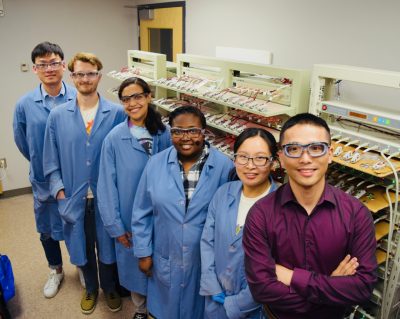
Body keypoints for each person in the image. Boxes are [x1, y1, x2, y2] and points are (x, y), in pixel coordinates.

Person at [242, 113, 378, 319]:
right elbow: (262, 290)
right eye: (294, 149)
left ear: (330, 153)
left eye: (316, 148)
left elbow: (362, 287)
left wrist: (294, 277)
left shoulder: (356, 214)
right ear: (281, 157)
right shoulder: (261, 214)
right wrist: (331, 285)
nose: (306, 159)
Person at [131, 106, 234, 319]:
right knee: (166, 307)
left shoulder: (225, 167)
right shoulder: (156, 163)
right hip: (166, 254)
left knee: (199, 308)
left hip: (206, 261)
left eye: (193, 131)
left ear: (204, 132)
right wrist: (143, 252)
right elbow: (141, 212)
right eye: (178, 131)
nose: (185, 138)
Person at [43, 52, 126, 314]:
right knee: (82, 245)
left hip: (107, 197)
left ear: (99, 76)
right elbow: (50, 159)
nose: (85, 78)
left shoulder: (117, 113)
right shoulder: (57, 116)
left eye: (91, 73)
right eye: (79, 74)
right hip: (73, 196)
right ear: (72, 77)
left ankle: (110, 288)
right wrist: (58, 190)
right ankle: (90, 288)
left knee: (108, 244)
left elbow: (124, 156)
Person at [97, 77, 172, 319]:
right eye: (126, 99)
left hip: (164, 218)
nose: (132, 103)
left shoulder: (166, 134)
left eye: (138, 96)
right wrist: (116, 227)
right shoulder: (114, 139)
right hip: (130, 222)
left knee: (162, 267)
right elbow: (106, 188)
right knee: (137, 268)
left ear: (149, 96)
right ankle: (140, 309)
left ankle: (161, 309)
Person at [13, 42, 76, 298]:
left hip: (74, 178)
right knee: (47, 229)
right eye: (42, 64)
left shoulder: (77, 97)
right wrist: (43, 164)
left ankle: (82, 266)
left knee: (77, 224)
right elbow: (22, 141)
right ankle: (56, 270)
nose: (48, 68)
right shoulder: (25, 104)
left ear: (63, 65)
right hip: (42, 179)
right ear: (34, 69)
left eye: (53, 63)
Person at [200, 128, 280, 319]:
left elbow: (277, 269)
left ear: (273, 162)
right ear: (234, 159)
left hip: (254, 307)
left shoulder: (283, 209)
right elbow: (207, 242)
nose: (250, 166)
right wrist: (211, 283)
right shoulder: (223, 193)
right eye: (243, 157)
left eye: (260, 158)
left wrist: (239, 304)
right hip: (214, 298)